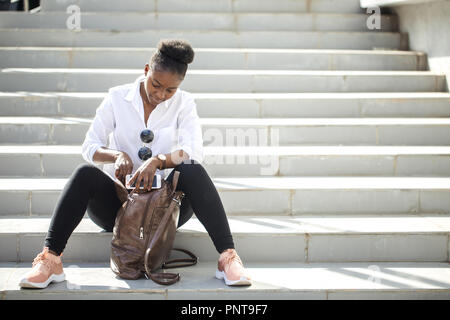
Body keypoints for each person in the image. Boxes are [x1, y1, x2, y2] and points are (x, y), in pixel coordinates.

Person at [19, 39, 252, 289]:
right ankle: (50, 260)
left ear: (179, 86)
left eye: (170, 90)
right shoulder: (117, 97)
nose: (161, 95)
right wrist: (116, 155)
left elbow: (194, 150)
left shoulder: (184, 103)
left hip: (164, 210)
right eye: (156, 84)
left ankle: (227, 257)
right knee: (84, 173)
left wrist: (158, 161)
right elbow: (89, 146)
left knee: (193, 170)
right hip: (119, 208)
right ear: (146, 71)